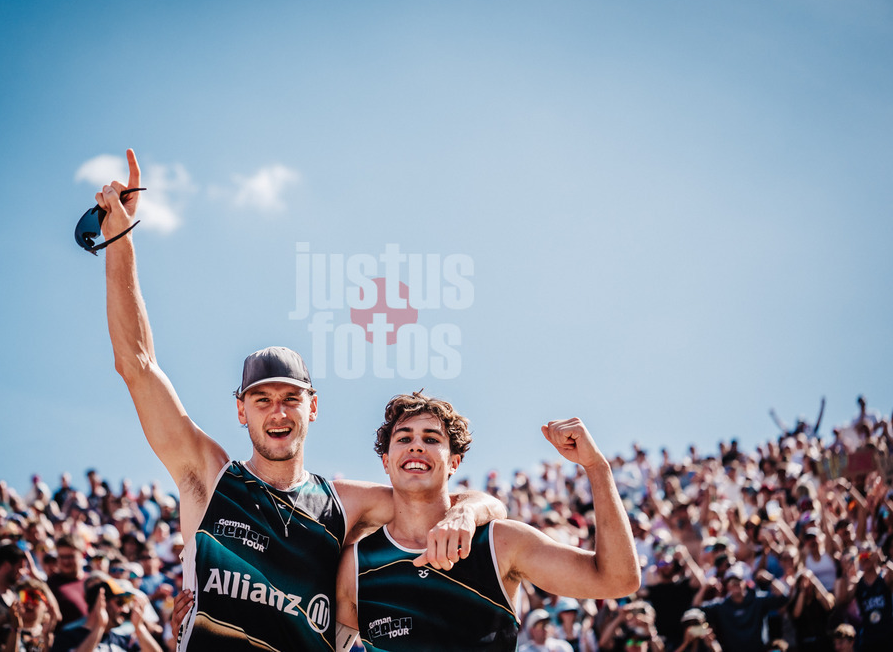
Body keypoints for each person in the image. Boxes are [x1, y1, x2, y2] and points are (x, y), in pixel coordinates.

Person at [93, 150, 505, 651]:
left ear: (312, 408)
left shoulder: (344, 503)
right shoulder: (209, 477)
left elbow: (460, 500)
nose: (278, 411)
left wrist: (466, 514)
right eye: (261, 400)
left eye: (291, 398)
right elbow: (137, 366)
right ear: (240, 411)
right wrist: (120, 237)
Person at [335, 391, 640, 651]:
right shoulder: (357, 566)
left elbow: (617, 580)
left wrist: (596, 466)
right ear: (387, 462)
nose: (416, 446)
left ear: (454, 462)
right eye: (404, 438)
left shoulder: (499, 543)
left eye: (431, 438)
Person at [50, 574, 159, 652]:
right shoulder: (67, 637)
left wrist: (139, 627)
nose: (125, 610)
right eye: (120, 603)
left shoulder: (123, 640)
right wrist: (99, 627)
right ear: (100, 603)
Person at [695, 564, 788, 652]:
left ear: (745, 582)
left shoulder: (757, 600)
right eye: (731, 581)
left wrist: (770, 579)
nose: (735, 584)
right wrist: (705, 587)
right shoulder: (720, 606)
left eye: (738, 580)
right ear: (727, 585)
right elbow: (695, 608)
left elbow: (783, 597)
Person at [834, 545, 893, 652]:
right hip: (869, 638)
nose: (865, 559)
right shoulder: (858, 584)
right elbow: (842, 600)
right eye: (861, 556)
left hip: (889, 635)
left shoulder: (884, 578)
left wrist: (883, 560)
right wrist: (844, 572)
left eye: (867, 554)